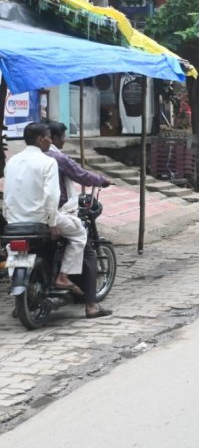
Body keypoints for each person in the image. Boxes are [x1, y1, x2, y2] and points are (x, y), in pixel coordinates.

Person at [3, 122, 85, 296]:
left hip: (14, 222)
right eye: (48, 137)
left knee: (17, 252)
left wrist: (10, 218)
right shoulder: (48, 162)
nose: (50, 141)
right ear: (40, 140)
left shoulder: (11, 162)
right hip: (39, 221)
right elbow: (51, 197)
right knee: (79, 233)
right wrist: (52, 223)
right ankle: (63, 276)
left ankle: (20, 286)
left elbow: (8, 194)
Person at [45, 122, 114, 318]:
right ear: (50, 138)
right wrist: (101, 180)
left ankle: (24, 302)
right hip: (55, 213)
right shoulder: (55, 158)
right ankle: (90, 305)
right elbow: (81, 175)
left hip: (23, 218)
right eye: (62, 137)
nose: (64, 140)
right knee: (84, 245)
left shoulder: (21, 161)